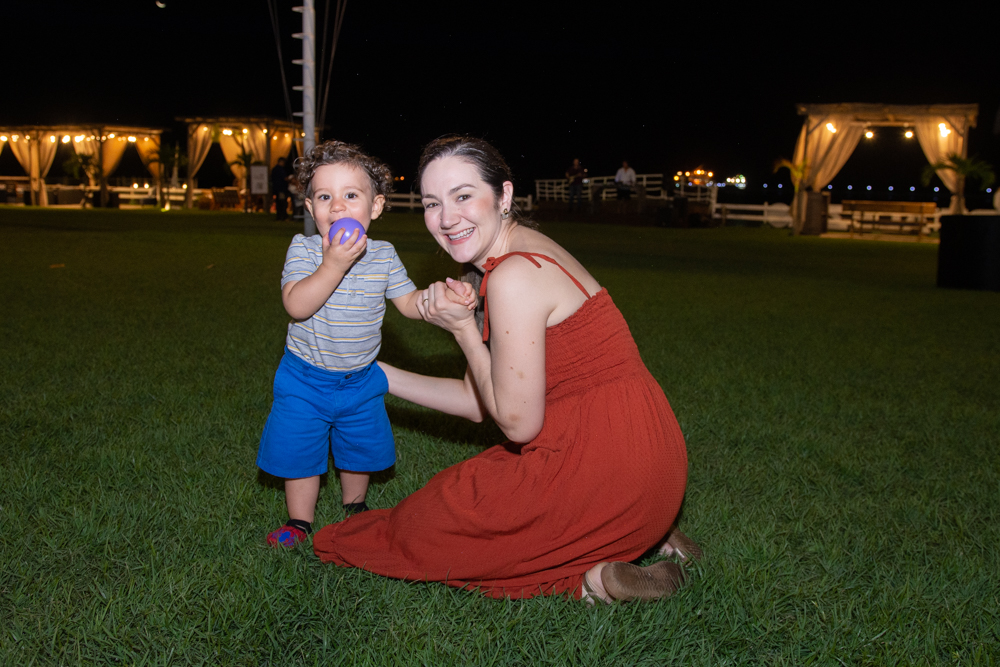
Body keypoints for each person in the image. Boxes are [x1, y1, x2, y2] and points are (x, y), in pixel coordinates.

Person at [313, 136, 700, 604]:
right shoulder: (521, 252)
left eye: (463, 196)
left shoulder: (514, 275)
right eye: (433, 203)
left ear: (504, 196)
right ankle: (645, 533)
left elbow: (518, 424)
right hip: (647, 455)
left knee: (422, 526)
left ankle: (594, 581)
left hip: (602, 462)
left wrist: (462, 332)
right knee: (456, 494)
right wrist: (375, 372)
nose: (447, 218)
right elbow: (480, 400)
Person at [258, 140, 474, 548]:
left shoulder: (384, 255)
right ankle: (300, 523)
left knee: (359, 447)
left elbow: (407, 303)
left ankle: (355, 510)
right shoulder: (304, 250)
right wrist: (333, 264)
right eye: (325, 197)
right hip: (305, 379)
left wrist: (438, 299)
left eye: (350, 195)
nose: (337, 206)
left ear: (375, 207)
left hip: (360, 378)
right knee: (299, 450)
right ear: (310, 209)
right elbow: (297, 305)